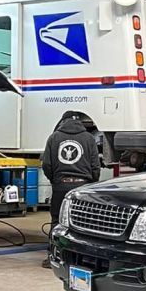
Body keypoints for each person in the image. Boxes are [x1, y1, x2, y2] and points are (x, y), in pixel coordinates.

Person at [41, 111, 101, 267]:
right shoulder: (89, 138)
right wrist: (90, 183)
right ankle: (83, 260)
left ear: (62, 121)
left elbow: (46, 164)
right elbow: (96, 166)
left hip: (61, 185)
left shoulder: (54, 138)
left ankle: (53, 258)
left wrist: (55, 181)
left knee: (57, 222)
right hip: (82, 188)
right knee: (84, 223)